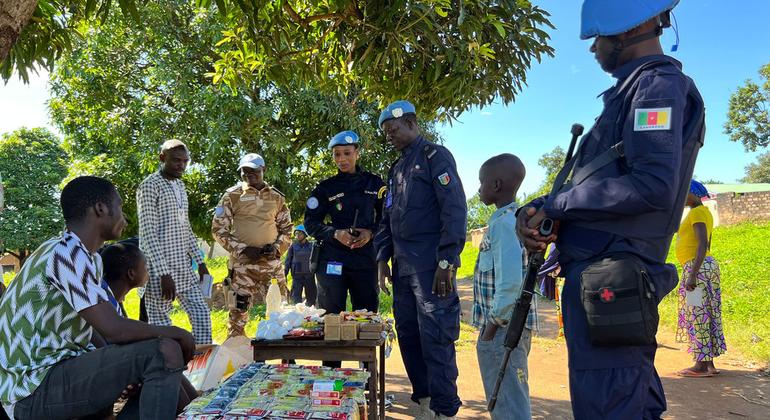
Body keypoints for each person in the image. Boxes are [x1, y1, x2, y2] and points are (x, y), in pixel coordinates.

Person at [516, 1, 705, 418]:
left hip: (614, 281)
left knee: (612, 404)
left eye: (597, 37)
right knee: (615, 398)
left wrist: (558, 205)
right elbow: (596, 183)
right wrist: (538, 211)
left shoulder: (656, 87)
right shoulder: (631, 92)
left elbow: (652, 184)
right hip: (602, 278)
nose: (593, 48)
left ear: (626, 29)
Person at [0, 176, 195, 419]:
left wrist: (124, 367)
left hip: (56, 377)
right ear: (101, 209)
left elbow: (100, 332)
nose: (124, 218)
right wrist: (177, 333)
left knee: (154, 363)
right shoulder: (64, 252)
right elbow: (114, 329)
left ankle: (200, 410)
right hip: (32, 389)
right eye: (120, 207)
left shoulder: (89, 258)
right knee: (163, 350)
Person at [374, 101, 467, 420]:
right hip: (402, 271)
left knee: (436, 338)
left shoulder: (435, 157)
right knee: (410, 336)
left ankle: (444, 410)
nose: (390, 137)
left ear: (412, 123)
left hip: (431, 268)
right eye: (386, 132)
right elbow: (386, 218)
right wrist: (382, 258)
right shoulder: (396, 169)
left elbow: (454, 209)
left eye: (394, 130)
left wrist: (447, 261)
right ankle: (425, 404)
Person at [97, 241, 199, 414]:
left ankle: (198, 408)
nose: (148, 270)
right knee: (162, 360)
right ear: (131, 274)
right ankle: (194, 412)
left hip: (114, 376)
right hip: (101, 383)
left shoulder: (111, 299)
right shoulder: (102, 300)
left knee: (170, 368)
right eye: (145, 265)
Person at [472, 154, 534, 420]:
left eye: (481, 182)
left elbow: (510, 283)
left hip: (504, 330)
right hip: (505, 328)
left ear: (496, 185)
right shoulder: (509, 220)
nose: (478, 189)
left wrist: (492, 326)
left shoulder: (505, 225)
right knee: (505, 398)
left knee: (508, 401)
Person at [137, 139, 212, 345]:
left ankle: (202, 365)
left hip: (182, 266)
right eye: (176, 160)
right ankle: (169, 369)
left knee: (201, 313)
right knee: (162, 327)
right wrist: (163, 273)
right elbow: (147, 233)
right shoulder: (150, 185)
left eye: (185, 161)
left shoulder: (179, 185)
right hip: (158, 272)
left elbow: (185, 227)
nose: (182, 165)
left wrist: (201, 263)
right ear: (162, 158)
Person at [303, 131, 385, 316]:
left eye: (347, 153)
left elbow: (387, 218)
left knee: (366, 315)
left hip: (365, 259)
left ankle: (362, 347)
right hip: (333, 259)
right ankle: (331, 346)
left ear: (357, 153)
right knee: (329, 316)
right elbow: (310, 222)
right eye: (337, 154)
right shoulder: (325, 188)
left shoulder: (375, 184)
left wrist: (370, 232)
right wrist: (335, 233)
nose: (342, 159)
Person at [212, 153, 292, 338]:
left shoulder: (276, 197)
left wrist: (276, 248)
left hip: (271, 265)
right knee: (237, 315)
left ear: (263, 170)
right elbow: (218, 229)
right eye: (244, 171)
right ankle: (236, 354)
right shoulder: (232, 196)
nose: (249, 174)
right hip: (242, 267)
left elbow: (287, 229)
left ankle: (287, 358)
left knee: (283, 312)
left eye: (253, 170)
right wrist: (243, 249)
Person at [675, 180, 726, 377]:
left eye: (685, 192)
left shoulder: (696, 213)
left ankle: (701, 366)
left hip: (697, 270)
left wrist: (693, 275)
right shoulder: (705, 213)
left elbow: (702, 243)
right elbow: (708, 243)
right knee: (707, 312)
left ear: (694, 194)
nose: (683, 197)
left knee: (698, 314)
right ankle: (709, 364)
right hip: (705, 268)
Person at [284, 224, 317, 306]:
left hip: (309, 276)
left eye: (299, 233)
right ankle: (296, 315)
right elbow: (288, 261)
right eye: (296, 233)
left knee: (311, 299)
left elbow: (316, 260)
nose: (297, 235)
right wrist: (284, 274)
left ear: (305, 234)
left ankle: (310, 315)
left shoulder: (311, 246)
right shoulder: (293, 246)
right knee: (295, 300)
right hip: (297, 276)